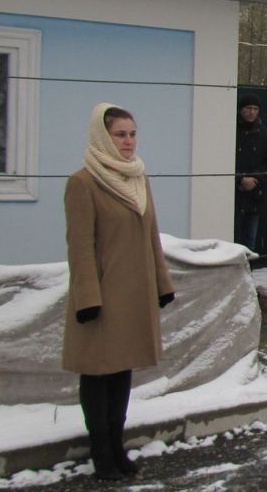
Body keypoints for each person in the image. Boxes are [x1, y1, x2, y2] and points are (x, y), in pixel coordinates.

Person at [62, 103, 175, 480]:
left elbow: (151, 237)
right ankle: (101, 452)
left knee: (122, 370)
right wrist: (87, 299)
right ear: (102, 137)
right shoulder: (82, 183)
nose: (128, 141)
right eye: (120, 134)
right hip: (101, 298)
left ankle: (117, 444)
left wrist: (162, 283)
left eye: (132, 134)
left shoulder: (138, 179)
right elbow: (80, 247)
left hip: (134, 296)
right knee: (98, 373)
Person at [235, 93, 267, 253]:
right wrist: (239, 179)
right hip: (233, 195)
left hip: (255, 195)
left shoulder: (263, 133)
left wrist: (256, 179)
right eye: (248, 108)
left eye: (255, 109)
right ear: (241, 109)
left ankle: (248, 268)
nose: (252, 112)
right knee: (232, 240)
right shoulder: (231, 130)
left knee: (250, 243)